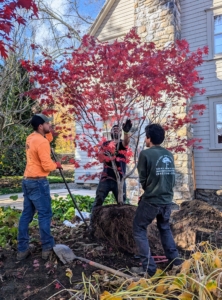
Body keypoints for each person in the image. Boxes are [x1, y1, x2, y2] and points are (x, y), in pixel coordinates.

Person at [132, 123, 182, 277]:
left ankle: (149, 268)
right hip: (167, 200)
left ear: (149, 138)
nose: (145, 139)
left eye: (146, 136)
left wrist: (149, 190)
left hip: (152, 200)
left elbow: (143, 180)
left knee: (138, 228)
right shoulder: (169, 154)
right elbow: (171, 178)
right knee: (164, 228)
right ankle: (176, 262)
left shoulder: (145, 154)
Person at [17, 113, 63, 261]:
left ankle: (22, 249)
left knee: (26, 215)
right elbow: (46, 165)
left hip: (27, 180)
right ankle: (47, 247)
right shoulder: (42, 143)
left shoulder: (31, 138)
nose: (50, 125)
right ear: (40, 126)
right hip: (38, 182)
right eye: (47, 123)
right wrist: (56, 165)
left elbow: (45, 139)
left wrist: (48, 132)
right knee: (44, 214)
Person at [91, 119, 132, 214]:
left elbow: (126, 142)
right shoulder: (105, 144)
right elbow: (101, 159)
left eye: (118, 129)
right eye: (114, 128)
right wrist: (110, 156)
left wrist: (126, 132)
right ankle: (93, 221)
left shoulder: (122, 143)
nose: (116, 129)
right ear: (111, 132)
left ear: (121, 132)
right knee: (98, 201)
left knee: (122, 204)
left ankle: (121, 225)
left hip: (119, 180)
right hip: (106, 178)